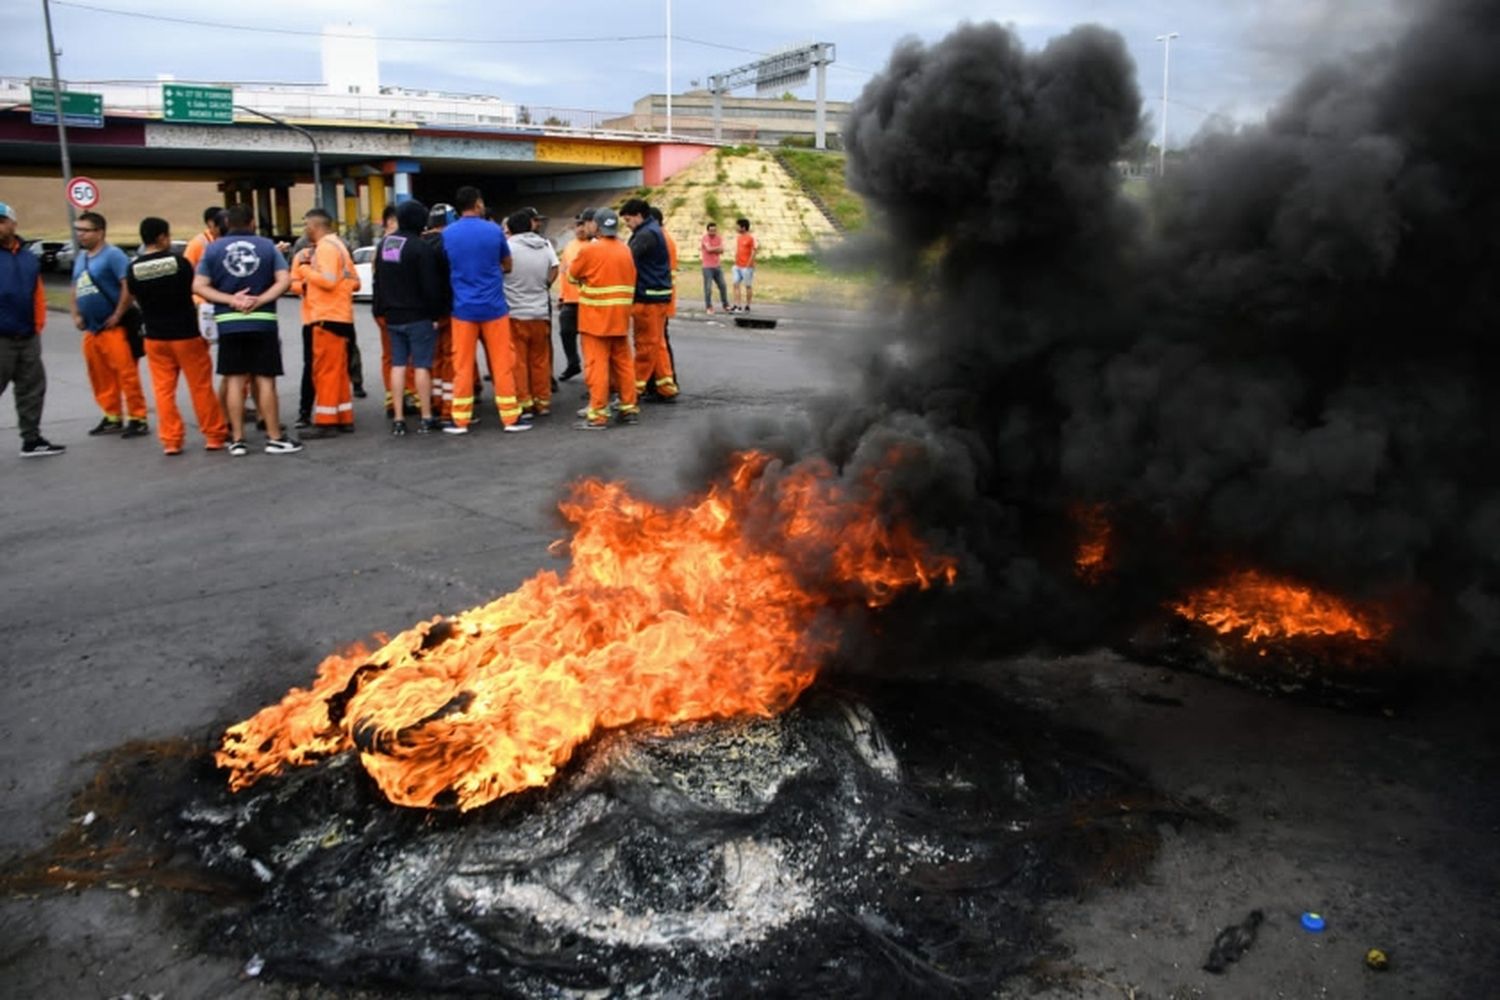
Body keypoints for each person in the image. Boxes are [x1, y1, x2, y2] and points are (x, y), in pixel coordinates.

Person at [192, 202, 301, 456]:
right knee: (265, 380)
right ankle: (274, 437)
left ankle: (238, 439)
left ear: (227, 223)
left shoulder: (212, 249)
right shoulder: (266, 246)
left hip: (229, 323)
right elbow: (284, 280)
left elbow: (199, 285)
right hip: (262, 320)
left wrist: (230, 299)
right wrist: (260, 299)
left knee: (234, 379)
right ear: (252, 222)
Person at [127, 216, 228, 455]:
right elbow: (193, 290)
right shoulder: (179, 263)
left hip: (154, 336)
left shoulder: (133, 268)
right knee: (200, 387)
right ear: (161, 237)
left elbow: (133, 297)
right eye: (168, 236)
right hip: (186, 334)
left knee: (163, 390)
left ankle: (171, 440)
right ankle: (214, 435)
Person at [440, 186, 527, 434]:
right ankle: (510, 418)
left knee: (462, 365)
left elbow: (447, 265)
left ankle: (460, 420)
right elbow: (507, 264)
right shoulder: (493, 230)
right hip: (494, 308)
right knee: (502, 363)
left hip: (463, 310)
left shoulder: (449, 234)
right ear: (478, 204)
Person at [72, 210, 149, 437]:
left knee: (126, 373)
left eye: (86, 230)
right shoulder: (81, 258)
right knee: (100, 374)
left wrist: (118, 313)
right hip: (92, 328)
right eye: (79, 230)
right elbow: (76, 287)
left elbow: (127, 285)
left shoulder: (113, 255)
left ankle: (138, 417)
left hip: (116, 326)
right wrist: (76, 314)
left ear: (100, 232)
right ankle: (112, 415)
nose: (81, 235)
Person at [373, 199, 446, 435]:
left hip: (393, 316)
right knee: (422, 366)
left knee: (398, 365)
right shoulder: (421, 247)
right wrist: (434, 313)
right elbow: (430, 286)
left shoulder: (387, 244)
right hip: (418, 315)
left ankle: (398, 419)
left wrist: (381, 309)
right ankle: (426, 417)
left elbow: (380, 281)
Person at [0, 200, 64, 457]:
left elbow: (36, 292)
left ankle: (32, 439)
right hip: (1, 337)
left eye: (2, 221)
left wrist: (38, 325)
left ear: (13, 224)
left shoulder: (28, 258)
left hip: (27, 335)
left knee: (32, 388)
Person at [567, 207, 638, 430]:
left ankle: (598, 414)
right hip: (619, 319)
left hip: (595, 320)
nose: (586, 226)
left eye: (589, 223)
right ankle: (628, 408)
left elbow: (571, 276)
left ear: (596, 226)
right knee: (623, 364)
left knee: (596, 366)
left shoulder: (590, 250)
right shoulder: (625, 250)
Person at [291, 208, 360, 437]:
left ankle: (327, 421)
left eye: (306, 226)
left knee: (325, 372)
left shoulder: (325, 249)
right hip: (341, 316)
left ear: (314, 226)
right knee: (339, 371)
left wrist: (305, 271)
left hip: (325, 317)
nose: (305, 231)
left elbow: (328, 281)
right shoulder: (340, 246)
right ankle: (343, 417)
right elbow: (353, 282)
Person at [619, 198, 679, 401]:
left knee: (645, 345)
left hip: (647, 298)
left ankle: (632, 391)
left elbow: (627, 259)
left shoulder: (645, 234)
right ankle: (665, 386)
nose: (627, 225)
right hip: (658, 296)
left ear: (638, 215)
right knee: (657, 343)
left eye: (628, 220)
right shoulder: (654, 230)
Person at [504, 208, 559, 419]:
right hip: (540, 312)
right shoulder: (544, 245)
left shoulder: (508, 247)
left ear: (511, 228)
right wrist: (545, 285)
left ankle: (524, 403)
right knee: (540, 360)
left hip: (516, 312)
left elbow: (501, 270)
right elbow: (555, 267)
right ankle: (542, 402)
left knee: (519, 361)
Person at [422, 203, 455, 424]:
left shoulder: (419, 244)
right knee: (450, 360)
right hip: (449, 310)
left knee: (429, 361)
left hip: (424, 314)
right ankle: (449, 408)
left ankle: (432, 402)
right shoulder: (450, 245)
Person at [553, 208, 591, 382]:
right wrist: (562, 296)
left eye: (583, 225)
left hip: (589, 300)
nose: (580, 229)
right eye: (577, 225)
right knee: (566, 332)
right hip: (570, 300)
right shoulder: (570, 246)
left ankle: (593, 375)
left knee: (590, 340)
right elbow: (563, 272)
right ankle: (573, 363)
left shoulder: (593, 245)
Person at [700, 221, 730, 313]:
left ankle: (726, 305)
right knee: (708, 288)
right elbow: (708, 249)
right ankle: (709, 307)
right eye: (711, 231)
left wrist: (716, 249)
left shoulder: (719, 238)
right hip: (707, 267)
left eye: (714, 230)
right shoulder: (705, 238)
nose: (713, 232)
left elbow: (722, 250)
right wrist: (717, 248)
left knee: (723, 286)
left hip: (717, 266)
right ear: (708, 231)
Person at [731, 217, 758, 313]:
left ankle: (748, 305)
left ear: (743, 227)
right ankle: (737, 305)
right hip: (737, 265)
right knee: (735, 284)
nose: (736, 228)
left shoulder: (750, 238)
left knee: (748, 286)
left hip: (746, 267)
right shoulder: (739, 237)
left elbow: (754, 251)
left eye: (738, 226)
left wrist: (748, 264)